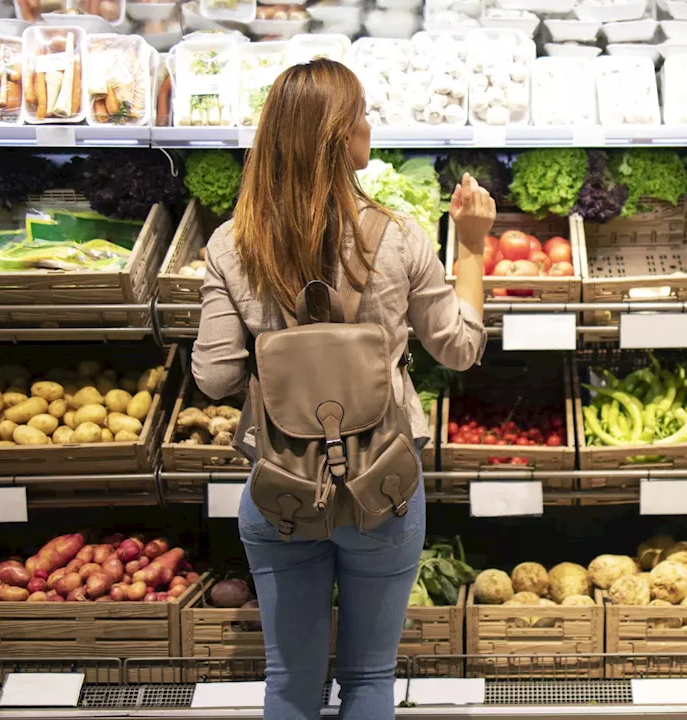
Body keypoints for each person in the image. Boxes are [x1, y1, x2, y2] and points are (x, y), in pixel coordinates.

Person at [190, 59, 493, 720]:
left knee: (289, 684)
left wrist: (274, 350)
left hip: (280, 489)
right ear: (340, 139)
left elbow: (212, 376)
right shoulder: (400, 239)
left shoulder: (232, 246)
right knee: (368, 678)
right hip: (380, 487)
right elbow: (460, 347)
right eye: (360, 113)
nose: (370, 124)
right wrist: (471, 245)